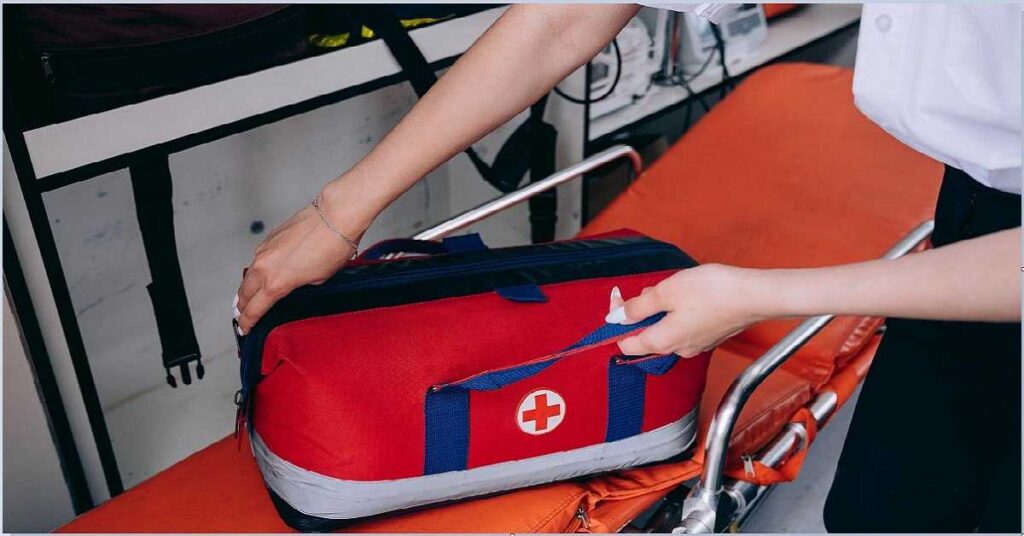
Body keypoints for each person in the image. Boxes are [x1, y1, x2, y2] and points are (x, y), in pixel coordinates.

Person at [235, 4, 1021, 531]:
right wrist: (340, 211)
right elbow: (566, 17)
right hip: (975, 209)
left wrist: (757, 294)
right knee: (886, 511)